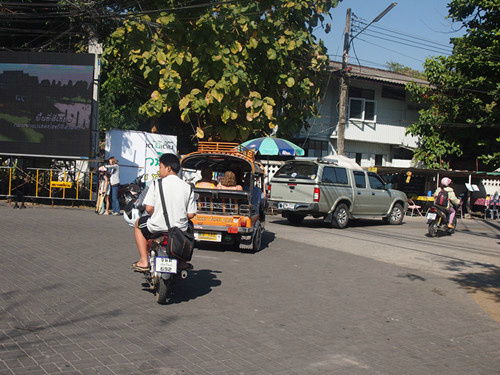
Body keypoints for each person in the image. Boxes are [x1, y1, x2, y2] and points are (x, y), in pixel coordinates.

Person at [132, 153, 197, 272]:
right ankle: (182, 261)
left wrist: (157, 215)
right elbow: (191, 215)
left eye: (160, 167)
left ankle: (143, 260)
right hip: (179, 229)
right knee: (190, 228)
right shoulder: (187, 187)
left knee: (137, 225)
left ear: (168, 168)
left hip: (156, 226)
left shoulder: (157, 183)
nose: (159, 170)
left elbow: (148, 208)